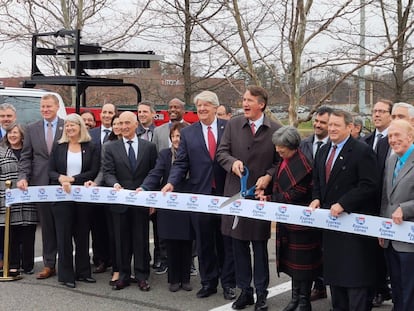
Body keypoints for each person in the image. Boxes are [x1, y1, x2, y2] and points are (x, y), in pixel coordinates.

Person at [162, 90, 236, 301]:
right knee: (203, 242)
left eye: (206, 105)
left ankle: (228, 283)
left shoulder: (228, 128)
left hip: (226, 194)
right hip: (200, 194)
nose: (202, 109)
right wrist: (171, 182)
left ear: (215, 107)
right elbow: (182, 162)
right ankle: (208, 282)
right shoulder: (189, 133)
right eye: (199, 106)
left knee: (225, 242)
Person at [216, 85, 281, 311]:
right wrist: (232, 162)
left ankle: (262, 292)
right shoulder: (233, 124)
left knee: (260, 246)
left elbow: (279, 162)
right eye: (243, 99)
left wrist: (268, 176)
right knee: (238, 245)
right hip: (236, 195)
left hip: (260, 196)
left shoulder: (275, 129)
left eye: (249, 100)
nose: (244, 103)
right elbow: (221, 152)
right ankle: (245, 291)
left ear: (261, 104)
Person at [309, 109, 379, 311]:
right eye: (330, 124)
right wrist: (316, 198)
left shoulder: (361, 151)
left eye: (336, 125)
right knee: (336, 281)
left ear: (349, 127)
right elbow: (318, 181)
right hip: (331, 227)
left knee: (355, 282)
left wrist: (344, 203)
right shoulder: (323, 150)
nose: (331, 128)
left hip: (354, 229)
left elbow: (369, 184)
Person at [259, 126, 322, 311]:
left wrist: (270, 199)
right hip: (287, 219)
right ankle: (295, 298)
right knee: (294, 264)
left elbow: (295, 193)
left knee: (303, 264)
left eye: (281, 148)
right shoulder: (285, 160)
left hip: (302, 222)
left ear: (292, 146)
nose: (278, 150)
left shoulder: (304, 164)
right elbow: (279, 184)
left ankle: (304, 301)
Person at [103, 111, 157, 291]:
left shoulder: (148, 147)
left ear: (136, 125)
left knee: (140, 240)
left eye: (128, 123)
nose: (124, 126)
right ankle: (123, 276)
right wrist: (115, 184)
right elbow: (108, 172)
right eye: (122, 123)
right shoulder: (111, 148)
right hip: (120, 202)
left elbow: (154, 172)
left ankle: (141, 276)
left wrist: (148, 192)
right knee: (121, 240)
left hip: (141, 201)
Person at [139, 122, 194, 292]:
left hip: (188, 204)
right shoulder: (164, 155)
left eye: (180, 136)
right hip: (168, 204)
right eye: (175, 136)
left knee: (187, 242)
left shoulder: (194, 154)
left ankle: (185, 279)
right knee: (171, 243)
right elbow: (155, 173)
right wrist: (145, 187)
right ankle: (173, 279)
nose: (177, 139)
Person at [49, 113, 99, 288]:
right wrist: (61, 178)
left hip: (82, 199)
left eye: (73, 125)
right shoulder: (58, 147)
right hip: (62, 199)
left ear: (80, 127)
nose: (69, 128)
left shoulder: (91, 147)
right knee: (64, 238)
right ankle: (66, 275)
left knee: (83, 236)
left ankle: (83, 272)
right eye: (67, 125)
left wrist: (72, 179)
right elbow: (51, 171)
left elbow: (93, 171)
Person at [17, 93, 65, 280]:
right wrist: (23, 177)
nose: (45, 110)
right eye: (43, 107)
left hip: (62, 185)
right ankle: (49, 264)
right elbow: (26, 157)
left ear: (56, 107)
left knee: (65, 226)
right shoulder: (31, 128)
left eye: (49, 106)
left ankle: (67, 263)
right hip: (41, 185)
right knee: (47, 227)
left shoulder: (66, 126)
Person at [380, 119, 414, 311]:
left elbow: (400, 204)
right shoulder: (391, 159)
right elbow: (386, 198)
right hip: (391, 237)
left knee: (410, 291)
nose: (392, 140)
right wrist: (382, 227)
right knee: (398, 290)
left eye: (397, 135)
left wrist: (406, 208)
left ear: (410, 136)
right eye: (390, 136)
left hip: (410, 240)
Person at [0, 123, 37, 275]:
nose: (13, 135)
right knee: (12, 233)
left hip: (28, 198)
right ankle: (13, 264)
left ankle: (28, 265)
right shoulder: (1, 152)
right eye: (10, 133)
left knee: (29, 232)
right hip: (8, 198)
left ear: (22, 135)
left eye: (16, 133)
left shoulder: (30, 152)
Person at [89, 102, 116, 274]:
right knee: (97, 226)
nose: (106, 115)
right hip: (95, 187)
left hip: (113, 187)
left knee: (112, 226)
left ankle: (115, 258)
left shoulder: (119, 133)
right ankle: (100, 259)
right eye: (104, 112)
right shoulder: (91, 134)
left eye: (110, 112)